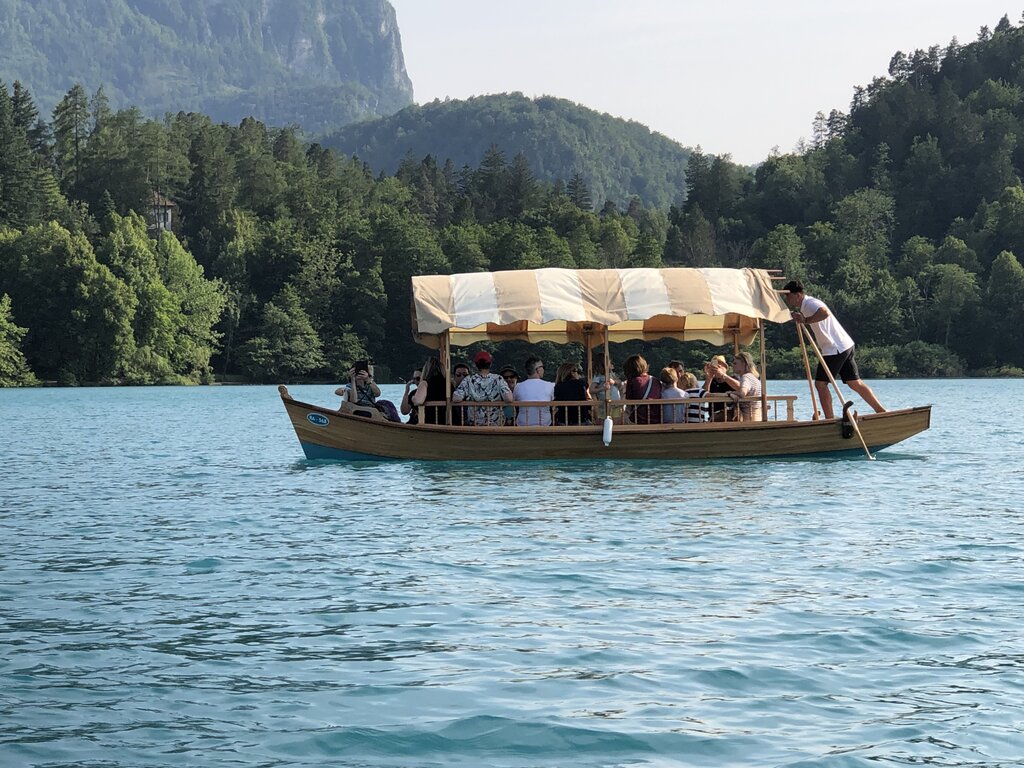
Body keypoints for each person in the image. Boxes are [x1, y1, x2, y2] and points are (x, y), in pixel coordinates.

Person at [784, 279, 885, 419]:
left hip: (834, 348)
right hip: (844, 345)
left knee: (820, 384)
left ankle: (829, 419)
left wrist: (806, 321)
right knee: (854, 382)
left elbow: (824, 312)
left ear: (798, 294)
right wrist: (800, 318)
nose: (787, 300)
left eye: (788, 296)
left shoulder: (809, 303)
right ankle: (880, 411)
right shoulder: (805, 306)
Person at [452, 350, 513, 427]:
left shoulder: (468, 380)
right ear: (490, 364)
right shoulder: (498, 379)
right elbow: (509, 398)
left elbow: (456, 398)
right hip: (495, 424)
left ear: (476, 364)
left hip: (475, 424)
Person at [712, 351, 763, 422]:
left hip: (747, 419)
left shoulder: (746, 377)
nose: (733, 365)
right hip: (755, 418)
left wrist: (730, 393)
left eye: (735, 363)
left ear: (744, 364)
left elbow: (742, 393)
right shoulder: (753, 377)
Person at [513, 356, 554, 426]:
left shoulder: (518, 386)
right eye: (543, 367)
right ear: (538, 370)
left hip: (523, 425)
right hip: (544, 425)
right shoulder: (550, 385)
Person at [622, 354, 662, 424]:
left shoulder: (632, 381)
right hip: (656, 419)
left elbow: (629, 402)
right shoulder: (655, 380)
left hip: (638, 419)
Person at [411, 356, 448, 424]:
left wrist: (413, 398)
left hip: (432, 420)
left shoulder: (425, 383)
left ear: (426, 370)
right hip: (449, 418)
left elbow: (418, 401)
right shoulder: (449, 384)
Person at [703, 354, 735, 422]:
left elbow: (740, 388)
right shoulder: (711, 381)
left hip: (730, 417)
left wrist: (723, 376)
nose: (717, 368)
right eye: (715, 365)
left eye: (720, 365)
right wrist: (709, 378)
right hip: (713, 417)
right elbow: (703, 395)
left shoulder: (732, 380)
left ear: (725, 368)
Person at [590, 352, 622, 420]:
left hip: (615, 403)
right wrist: (602, 388)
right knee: (604, 421)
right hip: (604, 405)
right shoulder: (598, 376)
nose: (611, 364)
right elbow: (591, 390)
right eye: (610, 362)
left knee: (616, 422)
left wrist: (614, 381)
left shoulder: (611, 373)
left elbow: (619, 382)